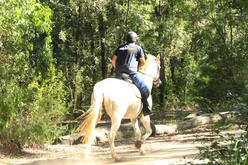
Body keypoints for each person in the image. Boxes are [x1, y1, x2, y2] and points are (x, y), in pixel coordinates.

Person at [111, 31, 154, 115]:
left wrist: (117, 69)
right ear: (135, 40)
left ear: (126, 39)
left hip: (119, 74)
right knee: (145, 89)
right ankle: (146, 109)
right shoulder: (137, 48)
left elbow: (113, 60)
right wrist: (138, 69)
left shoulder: (120, 48)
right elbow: (143, 62)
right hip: (131, 74)